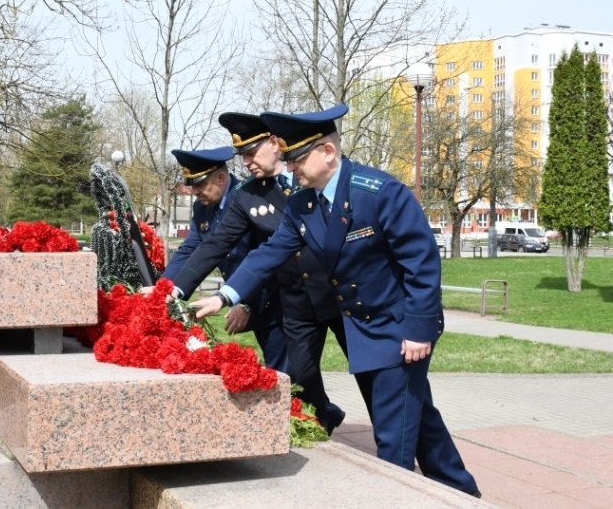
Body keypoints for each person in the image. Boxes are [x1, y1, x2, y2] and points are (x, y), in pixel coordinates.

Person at [191, 104, 481, 498]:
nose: (291, 168)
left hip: (399, 331)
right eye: (288, 159)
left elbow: (421, 263)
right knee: (418, 416)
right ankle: (459, 491)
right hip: (362, 329)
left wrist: (418, 330)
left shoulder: (378, 193)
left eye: (297, 158)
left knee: (392, 434)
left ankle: (390, 498)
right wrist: (227, 294)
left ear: (327, 152)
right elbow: (270, 253)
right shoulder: (302, 203)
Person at [171, 113, 347, 435]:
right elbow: (215, 245)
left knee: (373, 375)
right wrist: (173, 289)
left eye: (252, 153)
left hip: (336, 294)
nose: (247, 162)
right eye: (243, 156)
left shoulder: (312, 175)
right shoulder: (250, 195)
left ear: (274, 143)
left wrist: (246, 302)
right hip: (294, 301)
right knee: (300, 376)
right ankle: (318, 426)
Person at [146, 146, 289, 373]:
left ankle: (321, 410)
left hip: (275, 301)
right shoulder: (203, 207)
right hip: (248, 296)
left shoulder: (252, 197)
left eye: (200, 185)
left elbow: (270, 256)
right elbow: (191, 249)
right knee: (286, 377)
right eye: (192, 186)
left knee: (289, 376)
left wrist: (246, 304)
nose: (195, 192)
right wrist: (165, 287)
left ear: (221, 178)